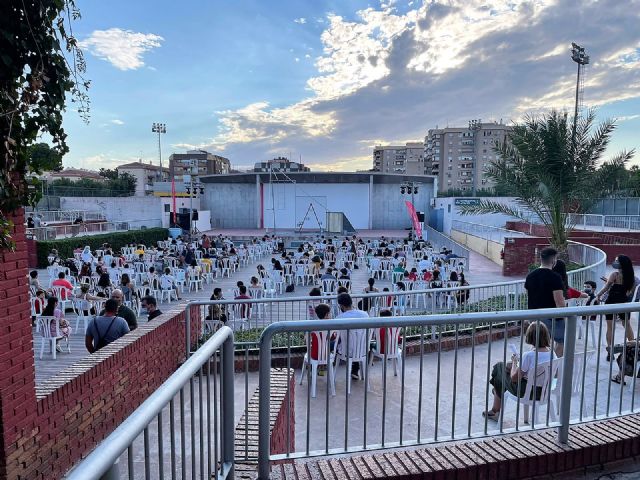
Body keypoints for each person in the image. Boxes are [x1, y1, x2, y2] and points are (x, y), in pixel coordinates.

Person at [484, 322, 554, 421]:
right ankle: (497, 397)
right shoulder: (552, 353)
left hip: (527, 392)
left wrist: (514, 362)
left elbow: (514, 378)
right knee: (503, 372)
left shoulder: (529, 356)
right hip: (544, 391)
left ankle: (496, 407)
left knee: (498, 367)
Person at [524, 247, 565, 356]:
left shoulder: (530, 276)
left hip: (533, 316)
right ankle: (552, 366)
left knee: (538, 344)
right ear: (553, 260)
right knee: (562, 341)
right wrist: (565, 317)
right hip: (550, 317)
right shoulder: (555, 277)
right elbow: (559, 302)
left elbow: (529, 296)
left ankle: (538, 365)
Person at [596, 255, 638, 360]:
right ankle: (632, 349)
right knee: (627, 325)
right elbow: (629, 293)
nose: (615, 262)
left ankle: (610, 352)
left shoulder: (615, 274)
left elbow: (606, 288)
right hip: (623, 303)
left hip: (611, 302)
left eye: (616, 260)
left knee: (610, 327)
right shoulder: (632, 277)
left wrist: (598, 295)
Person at [336, 293, 369, 379]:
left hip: (346, 352)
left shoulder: (339, 318)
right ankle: (355, 369)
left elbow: (337, 337)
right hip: (363, 350)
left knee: (334, 344)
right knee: (354, 342)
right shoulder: (365, 315)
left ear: (341, 306)